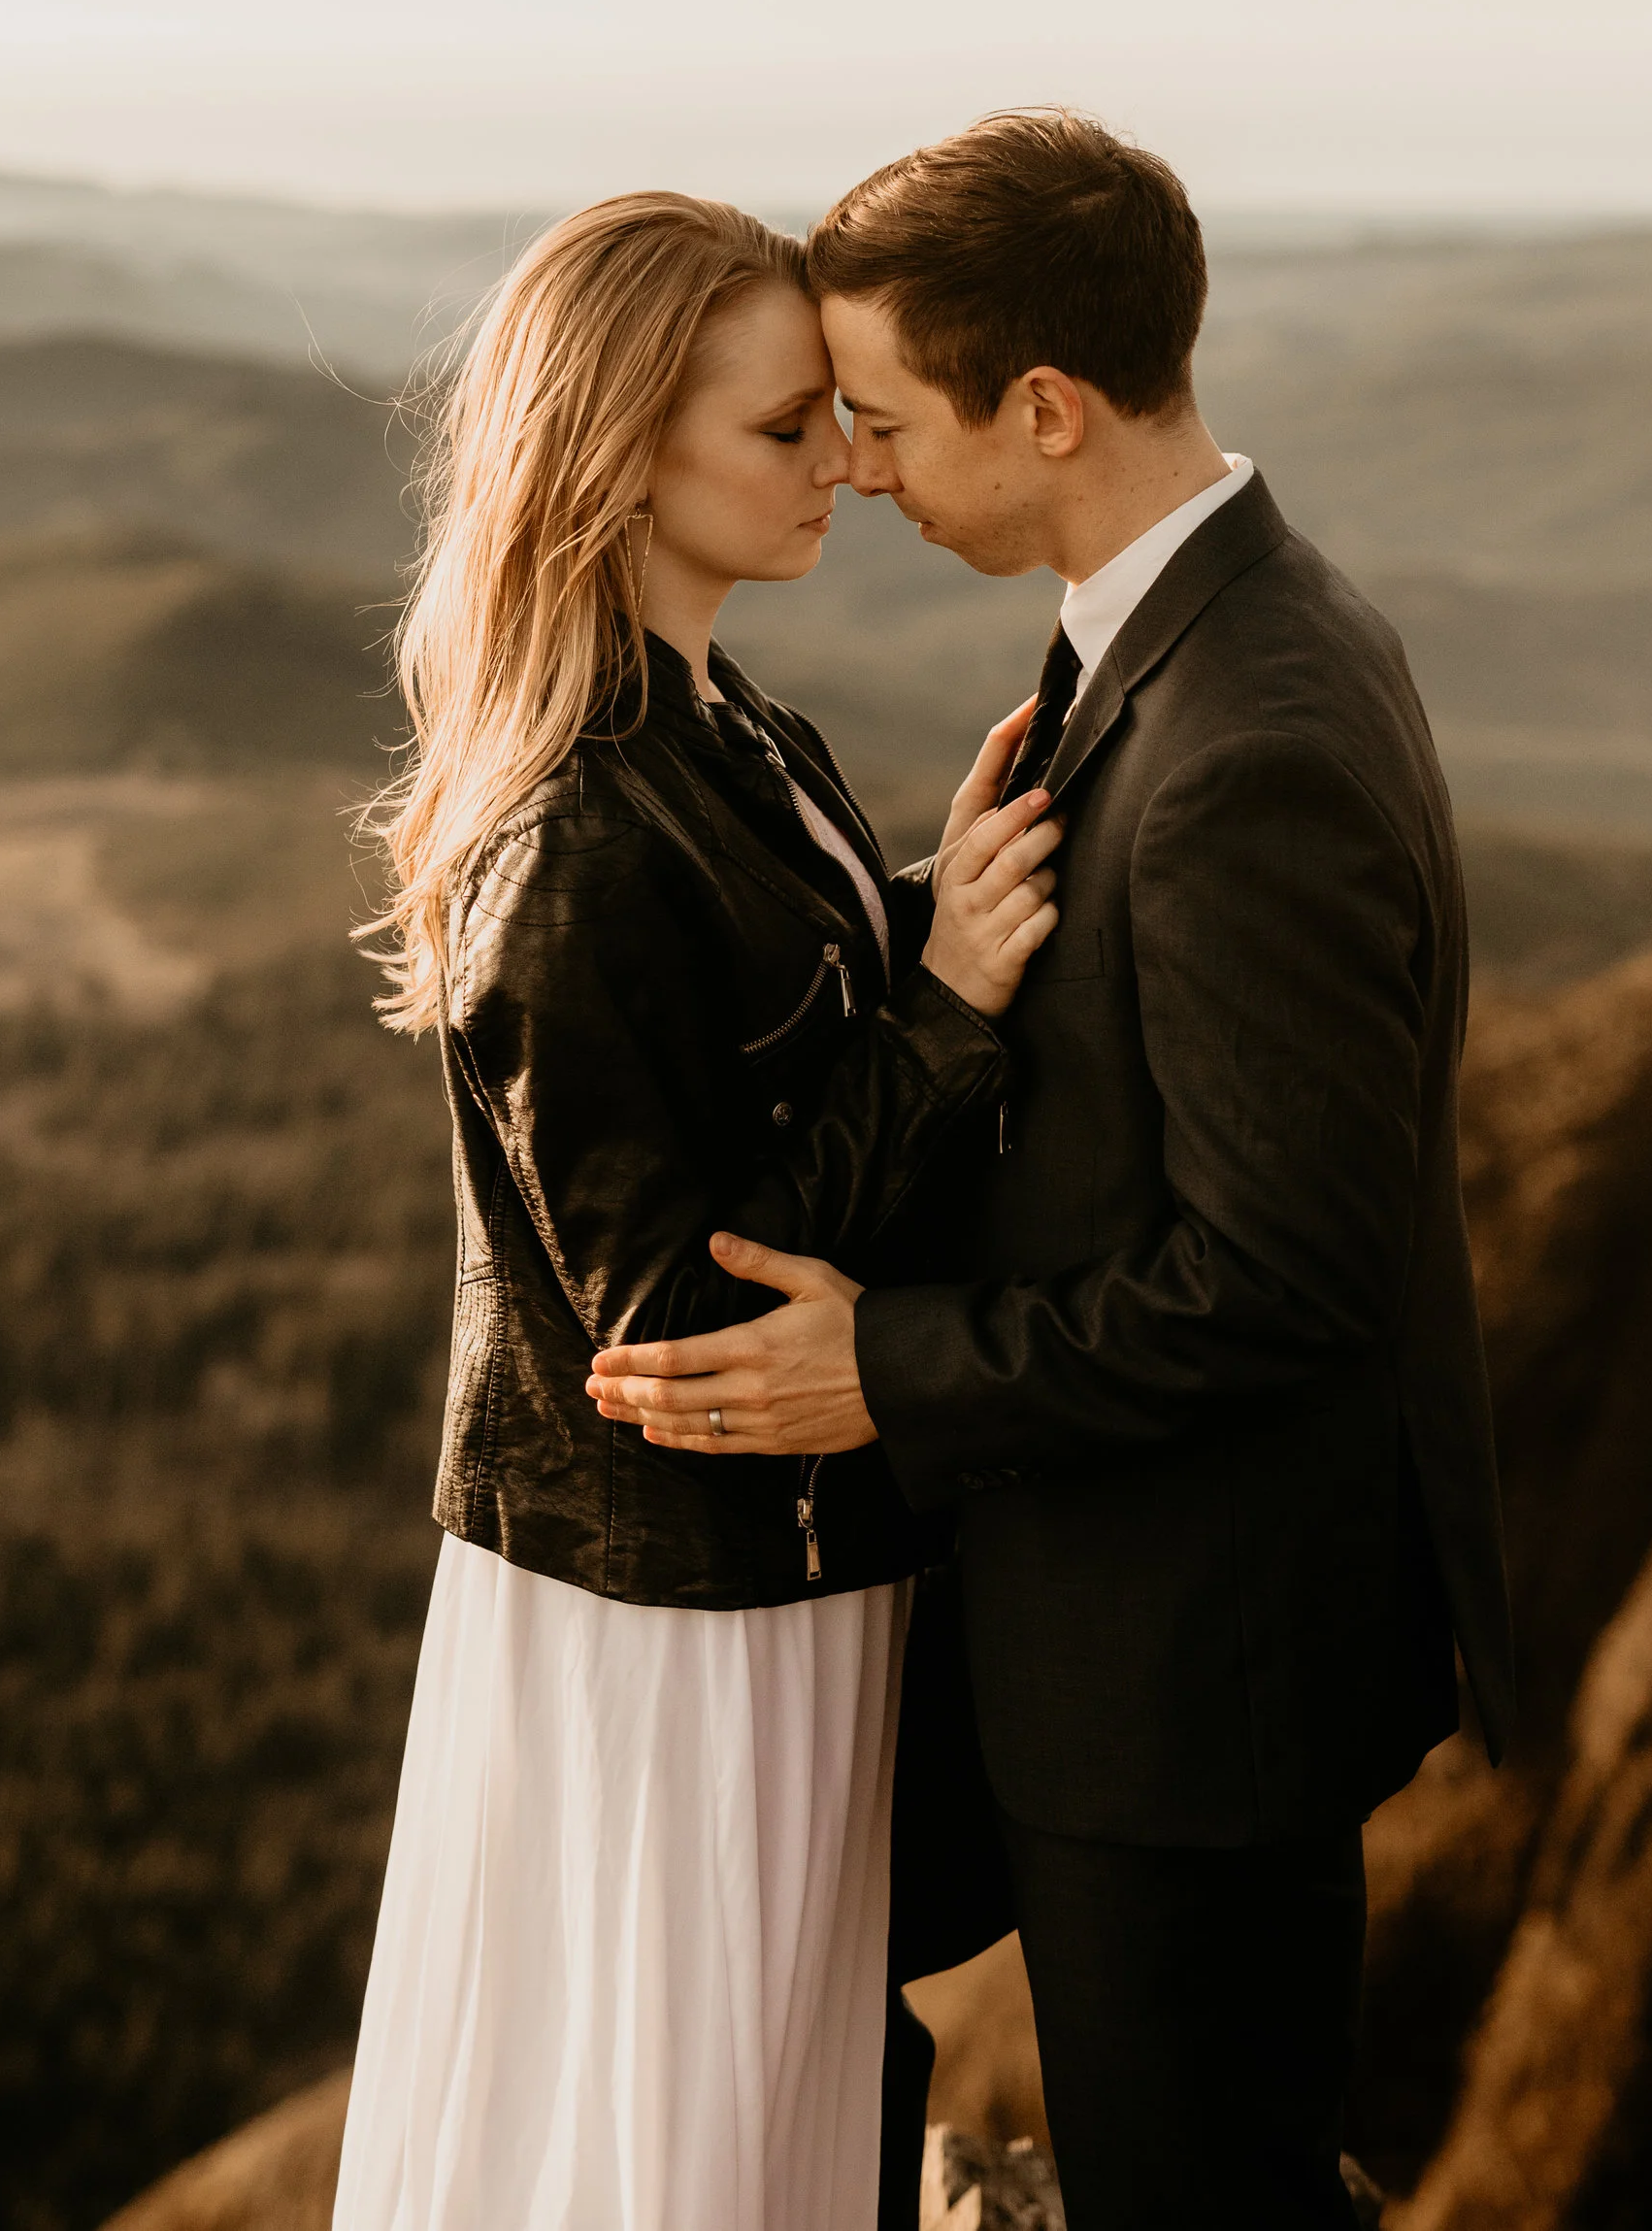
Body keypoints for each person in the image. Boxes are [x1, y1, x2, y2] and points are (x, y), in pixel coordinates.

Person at [591, 113, 1517, 2231]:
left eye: (887, 419)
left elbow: (1284, 1275)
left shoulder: (1250, 729)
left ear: (1041, 404)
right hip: (1121, 1627)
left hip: (1194, 1675)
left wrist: (885, 1370)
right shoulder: (1186, 628)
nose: (863, 468)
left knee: (1195, 2189)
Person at [330, 189, 1062, 2231]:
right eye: (779, 429)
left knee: (758, 2110)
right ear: (616, 447)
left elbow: (759, 1053)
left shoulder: (730, 725)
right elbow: (668, 1315)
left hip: (781, 1573)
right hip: (676, 1614)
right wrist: (941, 1009)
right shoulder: (568, 833)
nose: (839, 458)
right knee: (677, 2127)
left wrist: (927, 905)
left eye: (833, 413)